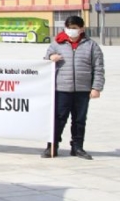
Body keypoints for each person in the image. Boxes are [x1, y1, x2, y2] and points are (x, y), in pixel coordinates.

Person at [42, 15, 105, 159]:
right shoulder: (57, 44)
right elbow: (45, 62)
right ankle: (52, 146)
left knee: (79, 120)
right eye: (69, 28)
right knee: (58, 118)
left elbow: (99, 67)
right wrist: (50, 59)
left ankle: (77, 147)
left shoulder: (91, 45)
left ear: (81, 29)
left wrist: (96, 88)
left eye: (75, 28)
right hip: (62, 88)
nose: (71, 31)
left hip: (82, 90)